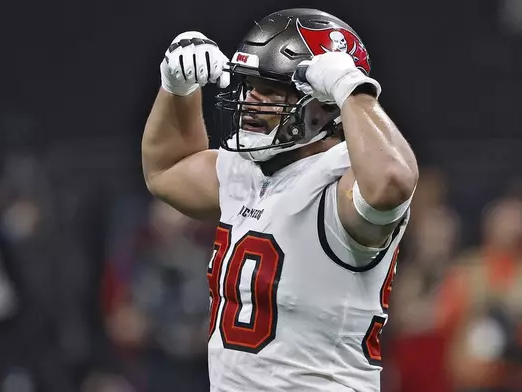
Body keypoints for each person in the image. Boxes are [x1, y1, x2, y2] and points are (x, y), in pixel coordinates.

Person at [141, 8, 418, 392]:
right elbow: (166, 169)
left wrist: (352, 88)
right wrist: (177, 87)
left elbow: (392, 182)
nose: (251, 100)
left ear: (324, 106)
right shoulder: (248, 171)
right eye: (249, 85)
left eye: (270, 89)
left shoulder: (341, 179)